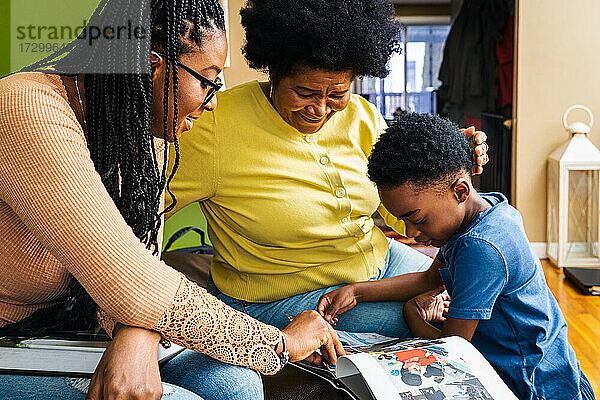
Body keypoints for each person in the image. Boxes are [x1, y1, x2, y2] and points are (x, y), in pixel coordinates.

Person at [0, 1, 343, 399]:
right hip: (15, 341)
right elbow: (129, 276)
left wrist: (135, 332)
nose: (214, 100)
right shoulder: (25, 108)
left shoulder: (143, 130)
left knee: (233, 382)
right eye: (209, 81)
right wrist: (279, 345)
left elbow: (141, 259)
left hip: (64, 336)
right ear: (152, 66)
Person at [166, 0, 489, 340]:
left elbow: (402, 215)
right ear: (275, 70)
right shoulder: (213, 127)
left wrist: (441, 172)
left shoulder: (362, 117)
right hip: (280, 298)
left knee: (475, 300)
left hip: (381, 263)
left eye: (337, 93)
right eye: (304, 92)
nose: (320, 109)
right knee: (436, 327)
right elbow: (140, 215)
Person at [317, 113, 596, 400]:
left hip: (532, 385)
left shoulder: (482, 248)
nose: (411, 233)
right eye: (402, 221)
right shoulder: (484, 209)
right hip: (537, 365)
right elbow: (430, 278)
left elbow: (454, 350)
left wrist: (413, 317)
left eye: (417, 219)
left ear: (460, 191)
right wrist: (356, 292)